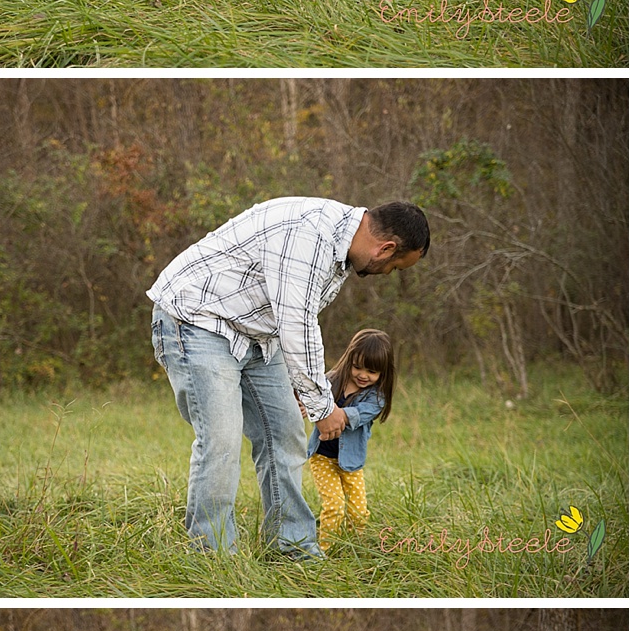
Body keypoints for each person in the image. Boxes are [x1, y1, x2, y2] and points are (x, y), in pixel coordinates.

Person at [148, 197, 429, 558]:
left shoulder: (340, 249)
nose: (387, 273)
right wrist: (322, 407)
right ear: (386, 248)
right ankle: (213, 557)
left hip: (256, 335)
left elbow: (291, 320)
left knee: (285, 433)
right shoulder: (311, 235)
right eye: (394, 267)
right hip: (197, 320)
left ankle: (293, 547)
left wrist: (302, 389)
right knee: (221, 440)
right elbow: (297, 325)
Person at [303, 327, 395, 550]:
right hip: (322, 457)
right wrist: (306, 404)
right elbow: (311, 394)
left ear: (383, 373)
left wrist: (335, 413)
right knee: (334, 505)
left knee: (358, 511)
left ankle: (354, 547)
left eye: (372, 372)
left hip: (351, 464)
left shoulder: (376, 398)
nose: (363, 375)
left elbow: (356, 415)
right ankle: (324, 550)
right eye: (357, 367)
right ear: (349, 359)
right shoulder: (331, 381)